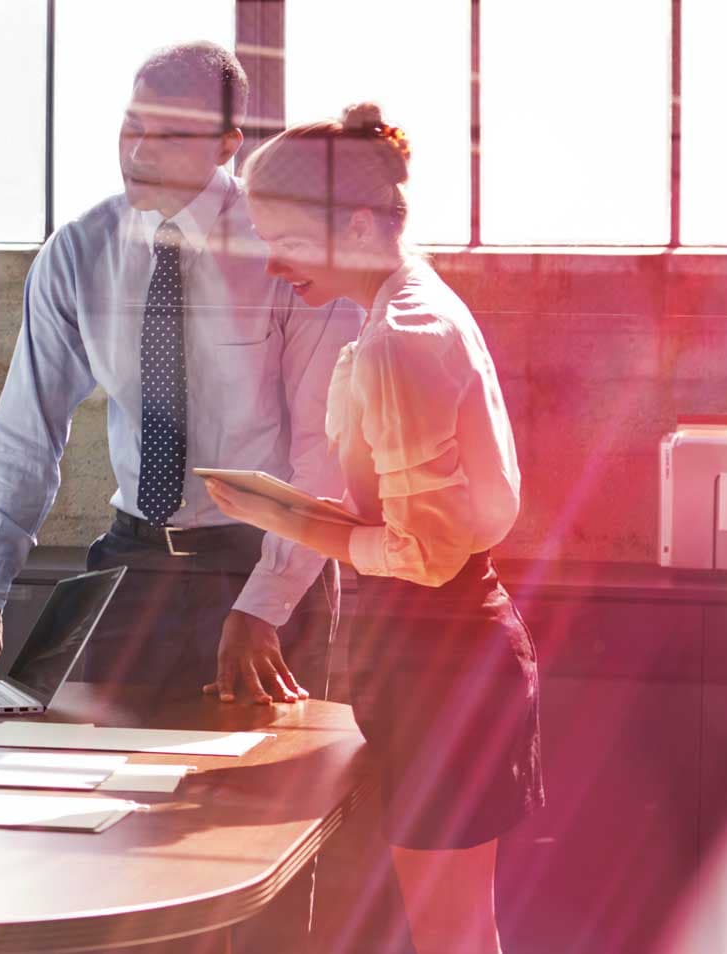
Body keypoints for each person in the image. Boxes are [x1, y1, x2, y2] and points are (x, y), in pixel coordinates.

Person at [0, 41, 359, 711]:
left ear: (228, 143)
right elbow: (26, 436)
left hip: (263, 558)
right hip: (133, 562)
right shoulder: (80, 252)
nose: (139, 151)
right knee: (111, 783)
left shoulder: (287, 252)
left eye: (169, 134)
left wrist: (265, 603)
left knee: (253, 797)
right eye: (131, 126)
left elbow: (325, 454)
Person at [205, 103, 544, 954]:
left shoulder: (401, 337)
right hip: (434, 654)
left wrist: (287, 517)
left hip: (443, 660)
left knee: (452, 936)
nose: (270, 260)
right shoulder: (405, 311)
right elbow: (394, 524)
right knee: (454, 933)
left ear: (355, 223)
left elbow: (423, 558)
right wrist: (279, 508)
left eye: (282, 235)